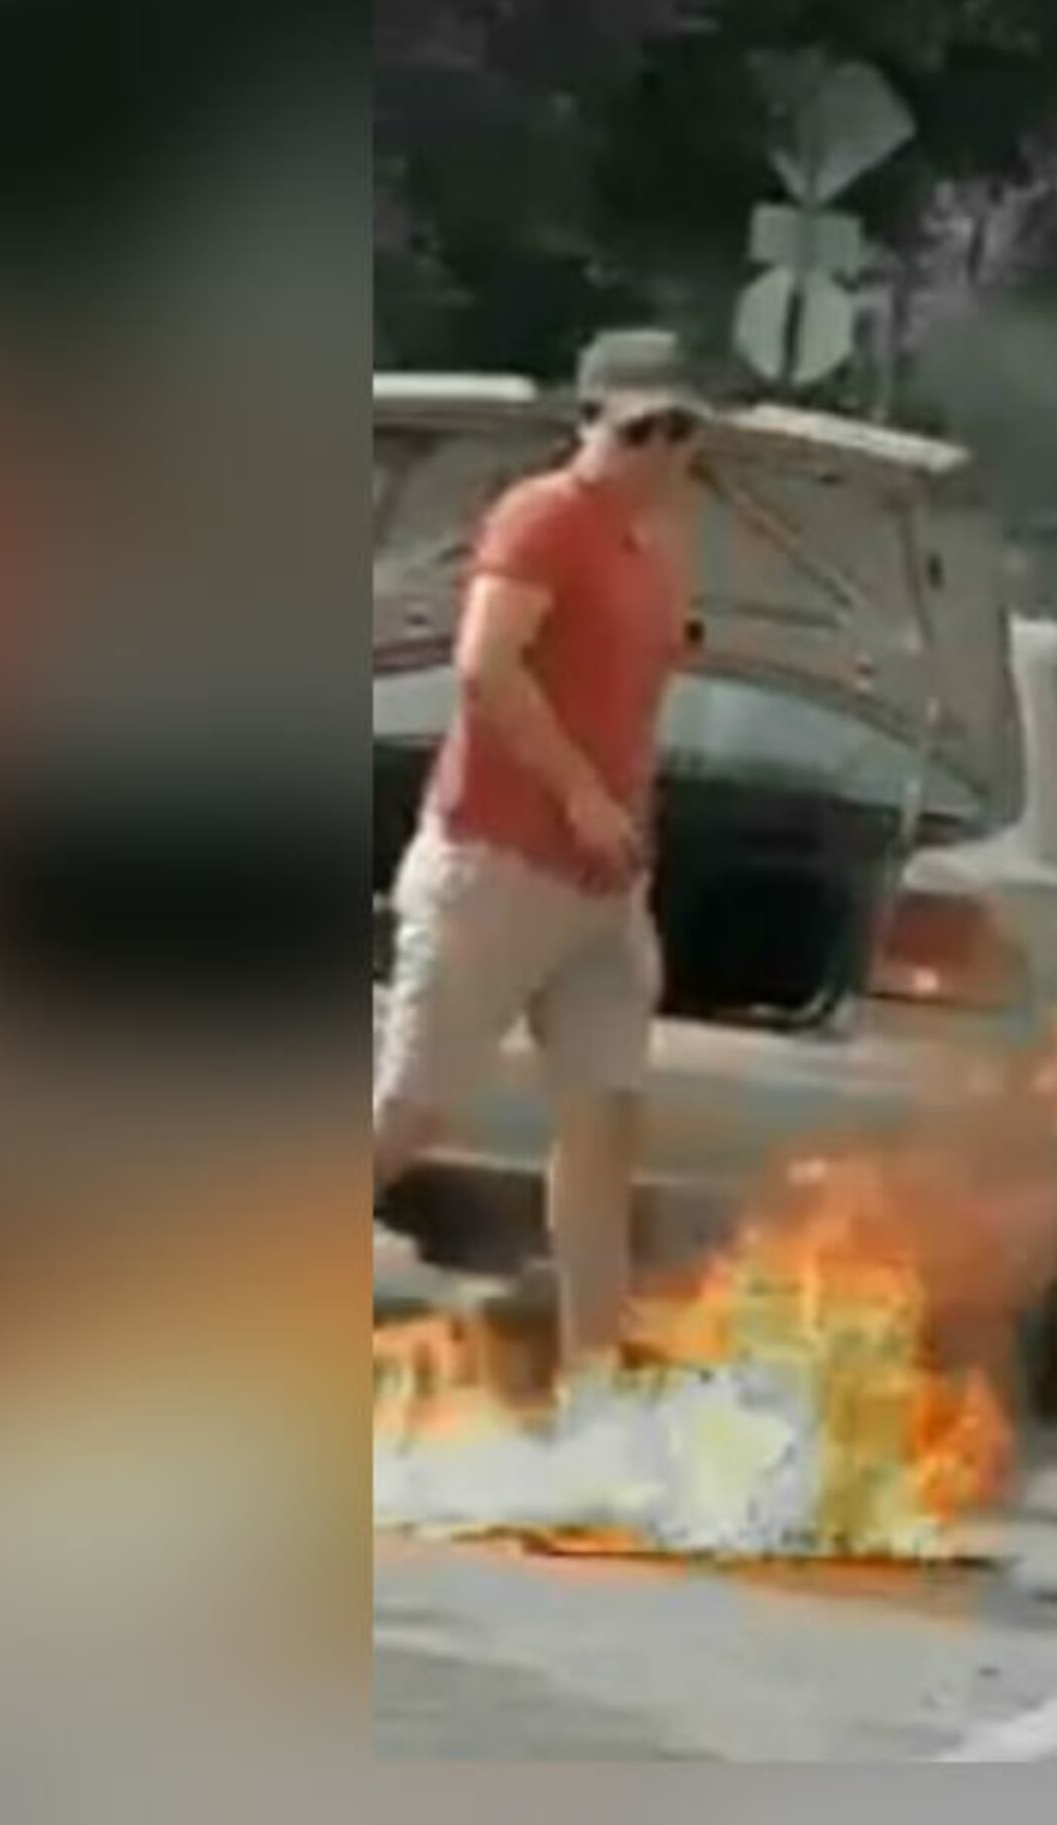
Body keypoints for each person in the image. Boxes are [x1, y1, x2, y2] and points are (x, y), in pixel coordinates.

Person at [370, 329, 707, 1396]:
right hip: (497, 864)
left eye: (681, 428)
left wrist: (621, 825)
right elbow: (486, 664)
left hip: (602, 894)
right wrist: (579, 796)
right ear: (589, 422)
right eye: (640, 427)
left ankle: (596, 1382)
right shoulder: (545, 516)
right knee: (412, 1111)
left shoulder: (652, 552)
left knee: (606, 1125)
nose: (662, 448)